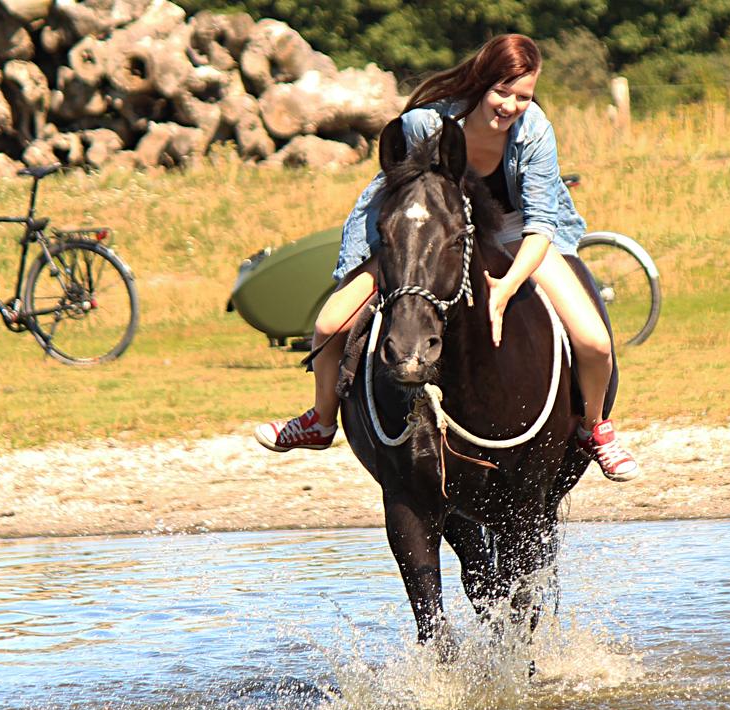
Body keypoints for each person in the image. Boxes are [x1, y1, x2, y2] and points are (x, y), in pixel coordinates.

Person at [254, 33, 639, 482]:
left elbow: (540, 223)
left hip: (515, 230)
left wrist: (506, 288)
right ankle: (320, 422)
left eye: (523, 96)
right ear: (480, 82)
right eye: (501, 91)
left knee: (594, 342)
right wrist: (382, 253)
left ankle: (595, 430)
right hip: (430, 236)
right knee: (328, 324)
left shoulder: (534, 131)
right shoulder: (424, 124)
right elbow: (395, 192)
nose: (510, 106)